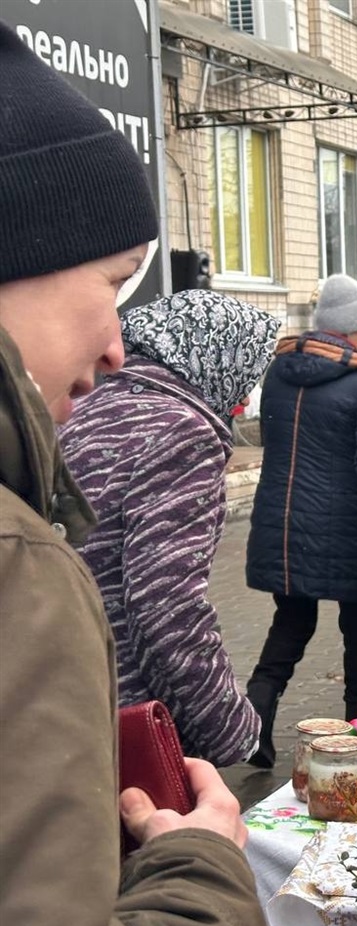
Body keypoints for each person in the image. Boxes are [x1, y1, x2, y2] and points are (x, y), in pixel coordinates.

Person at [0, 23, 265, 926]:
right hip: (122, 744)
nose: (117, 343)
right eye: (114, 286)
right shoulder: (18, 554)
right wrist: (206, 869)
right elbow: (171, 600)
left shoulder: (93, 416)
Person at [61, 290, 278, 767]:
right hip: (128, 721)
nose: (243, 396)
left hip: (62, 695)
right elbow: (166, 606)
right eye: (245, 370)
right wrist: (231, 729)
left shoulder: (85, 405)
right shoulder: (181, 432)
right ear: (212, 356)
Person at [245, 273, 357, 768]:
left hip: (285, 522)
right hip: (350, 523)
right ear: (347, 330)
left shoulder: (280, 371)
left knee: (292, 620)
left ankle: (255, 723)